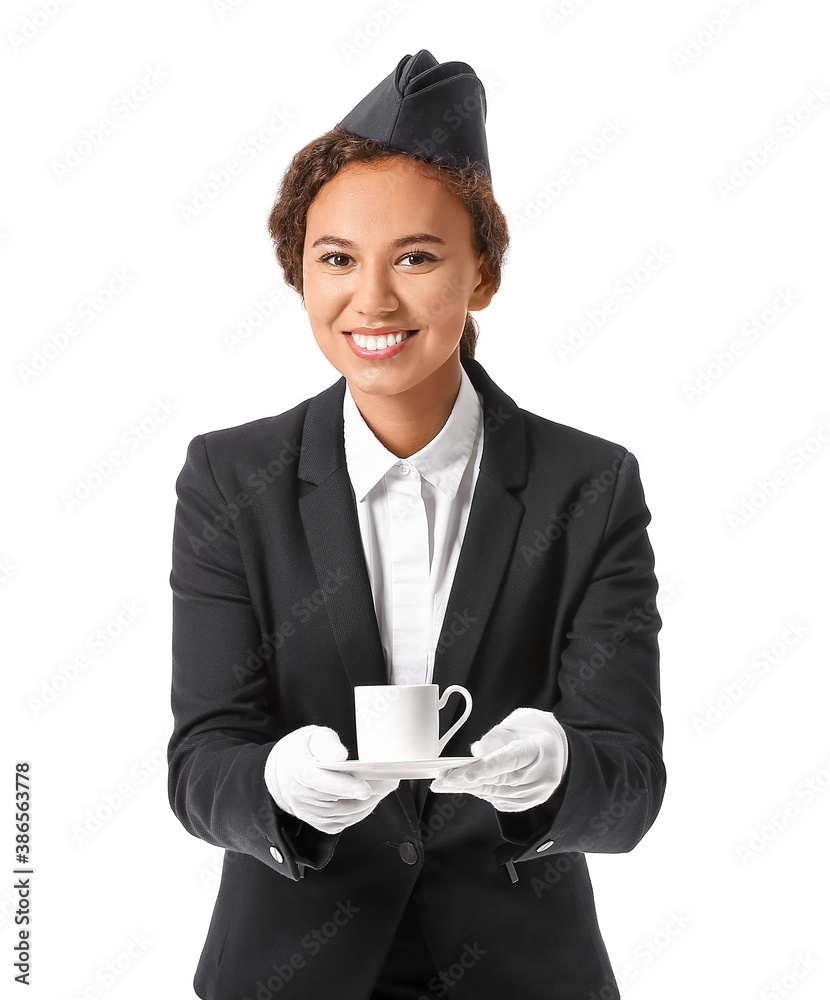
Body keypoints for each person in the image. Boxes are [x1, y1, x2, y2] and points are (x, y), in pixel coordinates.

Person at [167, 49, 666, 1000]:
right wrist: (276, 784)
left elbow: (631, 784)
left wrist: (556, 773)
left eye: (419, 257)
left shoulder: (589, 485)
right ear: (299, 273)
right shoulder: (231, 479)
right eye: (337, 259)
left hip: (524, 975)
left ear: (481, 276)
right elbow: (200, 765)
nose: (374, 301)